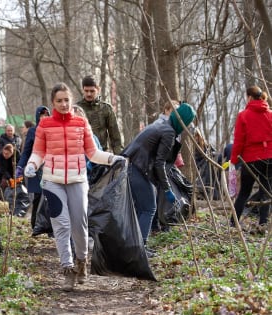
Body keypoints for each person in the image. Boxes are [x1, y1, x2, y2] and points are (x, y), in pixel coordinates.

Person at [24, 82, 124, 292]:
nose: (63, 104)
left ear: (71, 100)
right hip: (52, 181)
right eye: (59, 101)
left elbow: (93, 153)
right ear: (53, 103)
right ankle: (67, 268)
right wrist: (32, 165)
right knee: (61, 225)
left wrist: (113, 158)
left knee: (79, 225)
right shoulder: (45, 125)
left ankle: (81, 261)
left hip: (78, 180)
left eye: (66, 100)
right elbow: (39, 152)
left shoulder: (80, 124)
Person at [122, 102, 196, 254]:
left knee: (144, 208)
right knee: (149, 208)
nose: (187, 126)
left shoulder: (163, 126)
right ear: (182, 121)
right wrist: (167, 189)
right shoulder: (168, 132)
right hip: (137, 169)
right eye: (187, 123)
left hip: (134, 166)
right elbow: (159, 163)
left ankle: (135, 246)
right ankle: (140, 249)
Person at [230, 86, 272, 235]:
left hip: (251, 159)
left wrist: (233, 160)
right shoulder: (270, 114)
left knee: (244, 192)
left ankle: (233, 223)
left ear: (249, 97)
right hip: (269, 158)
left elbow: (239, 141)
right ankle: (263, 224)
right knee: (265, 192)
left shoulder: (244, 115)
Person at [16, 106, 50, 230]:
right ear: (37, 117)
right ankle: (35, 225)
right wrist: (20, 166)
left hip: (50, 167)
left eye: (46, 115)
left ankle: (48, 226)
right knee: (37, 198)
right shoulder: (32, 132)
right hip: (35, 168)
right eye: (41, 116)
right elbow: (26, 151)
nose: (44, 118)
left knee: (50, 197)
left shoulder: (52, 130)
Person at [76, 75, 123, 154]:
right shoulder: (76, 109)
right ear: (82, 90)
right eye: (86, 91)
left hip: (102, 153)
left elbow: (115, 139)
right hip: (82, 155)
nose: (89, 94)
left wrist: (119, 157)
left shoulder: (106, 109)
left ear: (98, 89)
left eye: (92, 91)